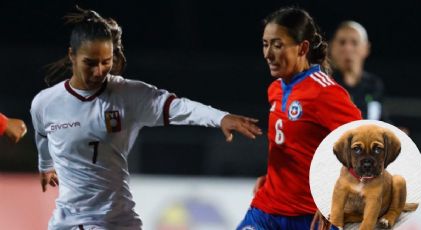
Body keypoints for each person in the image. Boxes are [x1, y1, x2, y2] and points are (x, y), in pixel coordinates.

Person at [30, 7, 262, 230]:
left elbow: (178, 107)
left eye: (106, 62)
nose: (100, 71)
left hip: (121, 220)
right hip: (74, 221)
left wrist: (220, 118)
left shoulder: (127, 95)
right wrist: (46, 165)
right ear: (72, 54)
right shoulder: (46, 103)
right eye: (90, 63)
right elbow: (42, 134)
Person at [236, 7, 362, 230]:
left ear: (303, 47)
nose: (268, 54)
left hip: (311, 218)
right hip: (268, 210)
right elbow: (297, 145)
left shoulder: (325, 92)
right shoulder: (275, 89)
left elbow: (365, 145)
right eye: (265, 44)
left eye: (278, 45)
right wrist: (272, 177)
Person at [330, 21, 384, 120]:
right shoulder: (326, 83)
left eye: (354, 43)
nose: (347, 48)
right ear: (333, 48)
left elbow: (379, 118)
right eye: (342, 42)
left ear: (366, 48)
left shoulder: (374, 84)